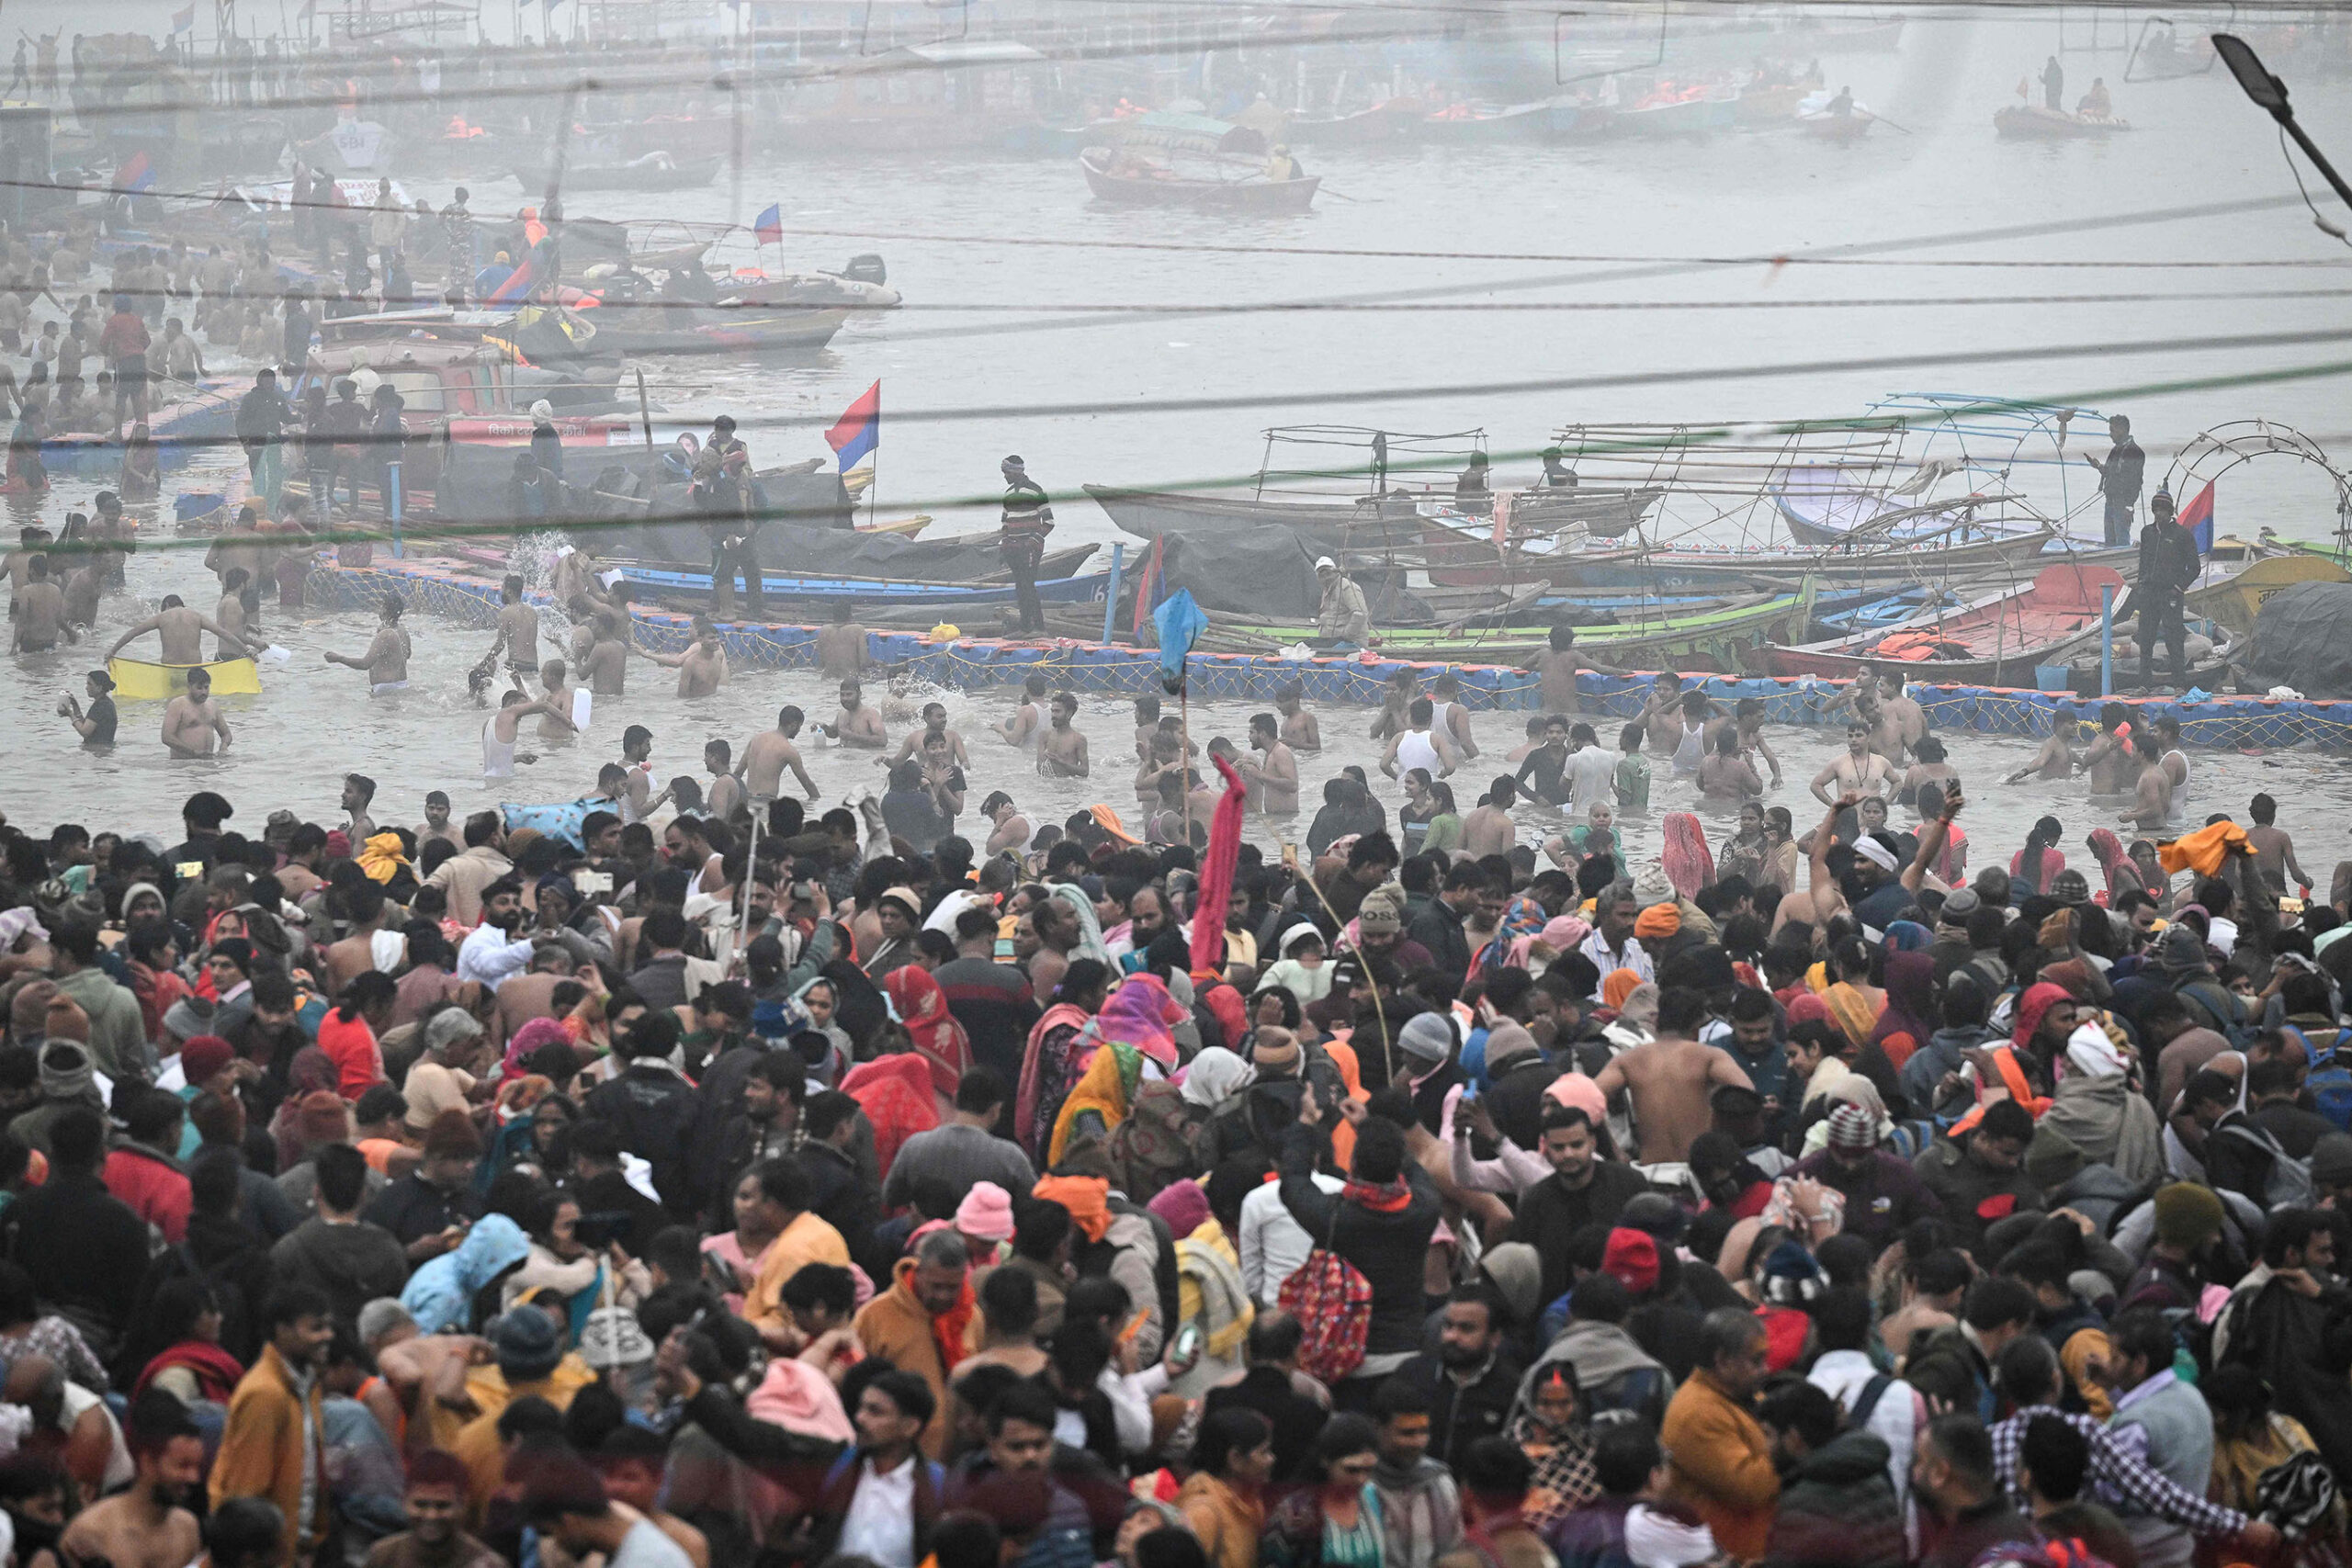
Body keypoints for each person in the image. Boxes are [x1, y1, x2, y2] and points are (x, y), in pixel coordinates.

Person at [210, 1285, 334, 1567]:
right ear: (282, 1330)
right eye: (316, 1328)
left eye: (328, 1326)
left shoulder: (307, 1383)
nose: (328, 1336)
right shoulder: (265, 1394)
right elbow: (247, 1492)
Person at [1658, 1309, 1777, 1561]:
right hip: (1725, 1556)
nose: (1765, 1369)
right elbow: (1749, 1489)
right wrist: (1790, 1447)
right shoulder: (1697, 1414)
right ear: (1722, 1361)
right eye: (1756, 1361)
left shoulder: (1739, 1395)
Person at [1912, 1415, 2030, 1568]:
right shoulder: (2019, 1528)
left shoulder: (1956, 1555)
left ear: (1940, 1473)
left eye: (1919, 1461)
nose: (1914, 1472)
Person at [1000, 455, 1053, 637]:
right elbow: (1005, 522)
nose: (1004, 476)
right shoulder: (1008, 494)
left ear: (1015, 471)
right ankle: (1025, 627)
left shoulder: (1035, 490)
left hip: (1030, 548)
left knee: (1028, 585)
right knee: (1020, 586)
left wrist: (1032, 542)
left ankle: (1039, 628)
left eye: (1006, 472)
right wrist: (1005, 541)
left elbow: (1049, 522)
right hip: (1013, 549)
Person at [2085, 413, 2143, 548]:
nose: (2110, 434)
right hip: (2110, 501)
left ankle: (2122, 564)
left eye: (2113, 430)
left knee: (2122, 541)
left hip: (2122, 504)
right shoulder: (2116, 450)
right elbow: (2111, 472)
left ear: (2122, 430)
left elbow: (2136, 482)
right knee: (2109, 542)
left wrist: (2129, 506)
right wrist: (2098, 466)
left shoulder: (2135, 452)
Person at [162, 665, 232, 757]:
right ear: (189, 686)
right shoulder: (177, 705)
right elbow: (167, 737)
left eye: (206, 687)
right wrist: (193, 752)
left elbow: (226, 734)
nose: (204, 692)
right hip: (183, 765)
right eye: (199, 688)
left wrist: (223, 746)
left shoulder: (212, 705)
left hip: (208, 762)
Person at [1315, 557, 1370, 646]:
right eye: (1322, 575)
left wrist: (1345, 636)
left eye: (1328, 573)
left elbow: (1360, 614)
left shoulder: (1346, 587)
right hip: (1333, 643)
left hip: (1351, 644)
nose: (1326, 578)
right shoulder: (1327, 591)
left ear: (1335, 572)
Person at [60, 667, 116, 747]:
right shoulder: (106, 703)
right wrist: (75, 706)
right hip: (104, 749)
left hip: (97, 750)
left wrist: (70, 715)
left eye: (89, 684)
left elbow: (85, 732)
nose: (86, 687)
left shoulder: (100, 706)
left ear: (99, 688)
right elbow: (85, 725)